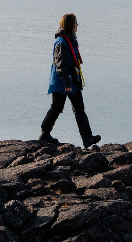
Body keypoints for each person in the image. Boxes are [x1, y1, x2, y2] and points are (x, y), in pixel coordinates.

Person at [39, 13, 101, 148]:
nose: (77, 25)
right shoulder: (61, 42)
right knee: (57, 108)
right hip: (62, 82)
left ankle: (87, 138)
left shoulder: (71, 39)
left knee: (79, 109)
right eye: (75, 23)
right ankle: (44, 133)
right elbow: (60, 65)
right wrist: (67, 83)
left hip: (73, 80)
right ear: (69, 25)